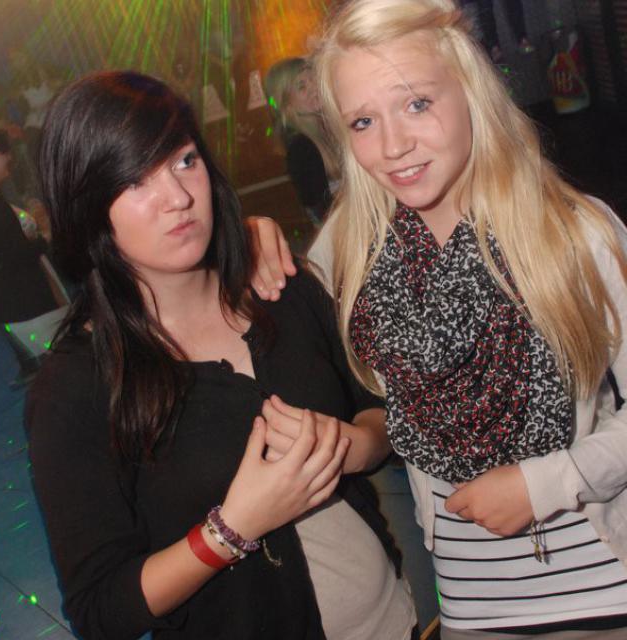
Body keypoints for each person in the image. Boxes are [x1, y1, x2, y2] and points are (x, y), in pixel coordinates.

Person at [246, 0, 627, 637]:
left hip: (602, 598)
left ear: (471, 90)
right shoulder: (353, 251)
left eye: (417, 103)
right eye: (364, 121)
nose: (393, 145)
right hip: (471, 607)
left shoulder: (572, 234)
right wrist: (245, 240)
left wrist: (546, 483)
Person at [25, 71, 417, 640]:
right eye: (135, 181)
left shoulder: (280, 289)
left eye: (184, 161)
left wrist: (354, 448)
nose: (178, 197)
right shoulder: (77, 387)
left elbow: (378, 410)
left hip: (395, 618)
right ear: (87, 205)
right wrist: (232, 528)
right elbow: (101, 610)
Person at [0, 125, 66, 386]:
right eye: (4, 152)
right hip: (26, 302)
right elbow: (13, 254)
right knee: (57, 364)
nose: (9, 157)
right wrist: (42, 239)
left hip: (12, 305)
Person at [265, 57, 340, 226]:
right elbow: (321, 211)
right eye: (302, 87)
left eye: (313, 79)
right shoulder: (301, 148)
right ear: (286, 103)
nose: (313, 88)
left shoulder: (330, 127)